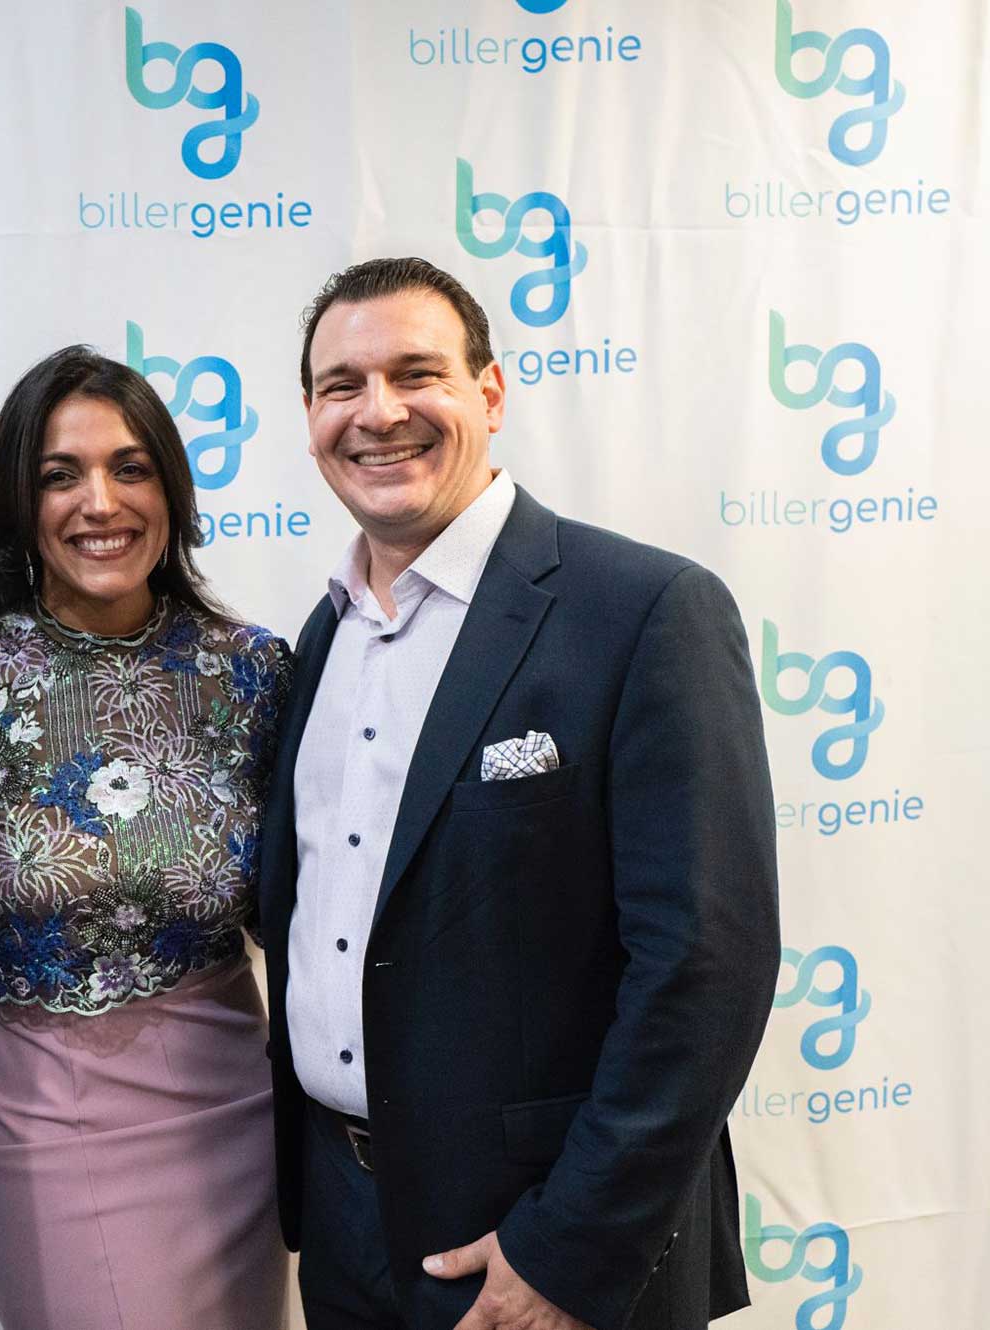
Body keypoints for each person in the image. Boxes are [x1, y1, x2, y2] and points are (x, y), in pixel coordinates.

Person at [259, 257, 780, 1330]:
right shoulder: (321, 636)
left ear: (487, 394)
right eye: (340, 385)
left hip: (542, 1246)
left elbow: (703, 966)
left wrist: (568, 1251)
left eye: (416, 373)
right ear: (309, 414)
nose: (379, 413)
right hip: (347, 1227)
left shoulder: (639, 611)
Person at [0, 346, 290, 1330]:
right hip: (47, 1115)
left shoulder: (252, 672)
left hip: (233, 1112)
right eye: (58, 475)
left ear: (171, 488)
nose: (97, 502)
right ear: (16, 504)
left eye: (129, 467)